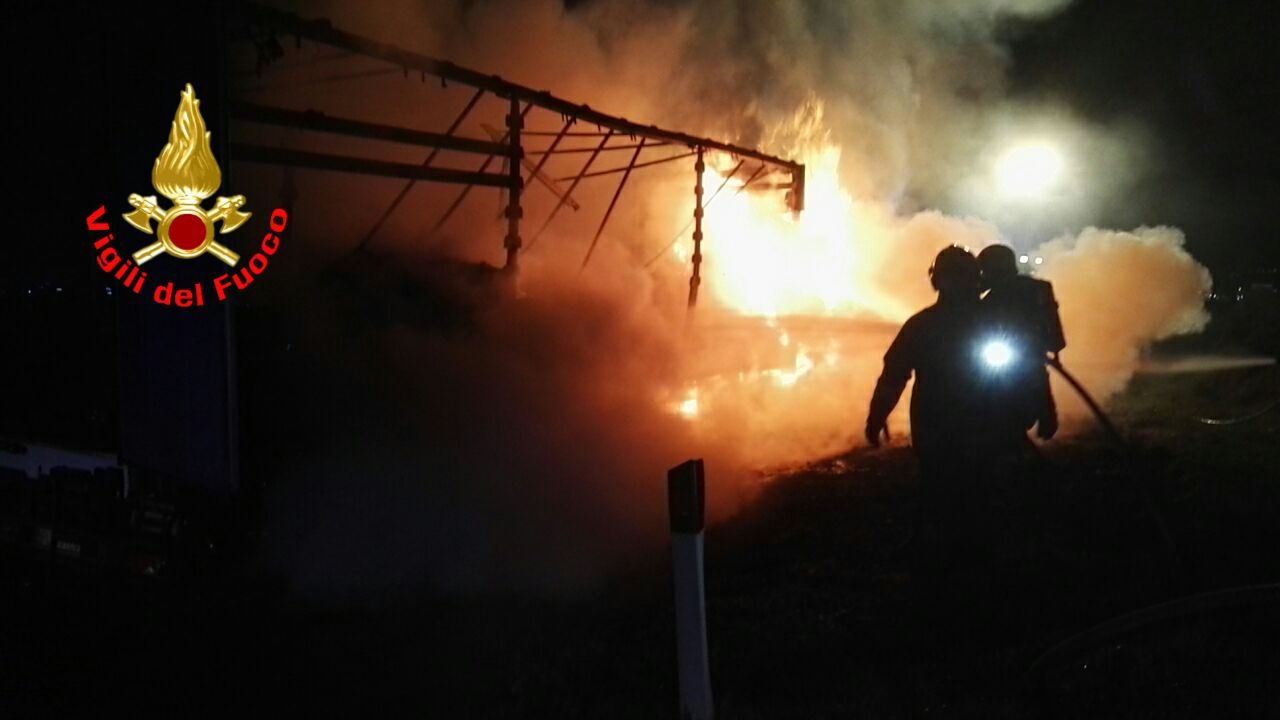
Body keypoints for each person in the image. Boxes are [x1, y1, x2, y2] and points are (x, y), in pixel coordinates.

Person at [866, 246, 990, 529]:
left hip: (960, 418)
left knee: (976, 489)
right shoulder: (922, 325)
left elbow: (1027, 368)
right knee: (942, 487)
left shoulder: (926, 324)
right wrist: (877, 416)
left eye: (963, 276)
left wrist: (1041, 408)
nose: (958, 283)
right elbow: (894, 374)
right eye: (953, 276)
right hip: (942, 420)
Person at [976, 245, 1066, 445]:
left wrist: (1050, 345)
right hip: (1001, 356)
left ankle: (1046, 414)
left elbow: (1052, 327)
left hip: (1027, 355)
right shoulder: (988, 300)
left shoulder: (1032, 291)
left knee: (1036, 378)